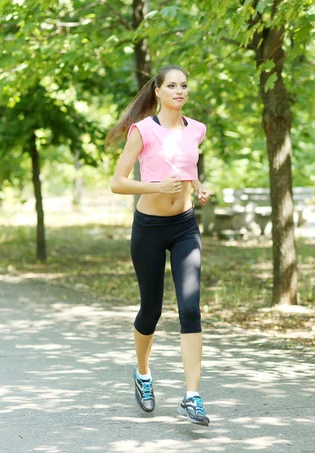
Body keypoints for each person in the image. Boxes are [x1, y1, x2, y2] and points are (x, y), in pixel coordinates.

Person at [107, 65, 212, 426]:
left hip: (184, 227)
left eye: (184, 85)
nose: (179, 90)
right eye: (172, 85)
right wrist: (156, 187)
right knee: (151, 309)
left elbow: (187, 166)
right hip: (149, 228)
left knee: (190, 308)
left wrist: (198, 187)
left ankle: (193, 396)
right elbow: (118, 183)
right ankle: (143, 374)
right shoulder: (143, 131)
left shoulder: (197, 129)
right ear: (158, 92)